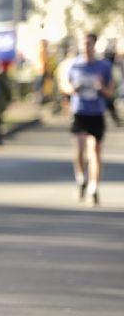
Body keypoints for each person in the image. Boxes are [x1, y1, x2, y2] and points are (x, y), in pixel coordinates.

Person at [67, 32, 115, 206]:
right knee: (80, 149)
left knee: (95, 150)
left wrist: (101, 88)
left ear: (94, 45)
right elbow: (65, 86)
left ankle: (94, 187)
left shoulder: (103, 66)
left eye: (88, 43)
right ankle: (81, 179)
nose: (85, 46)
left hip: (97, 113)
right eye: (83, 43)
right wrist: (73, 89)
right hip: (79, 111)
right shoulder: (73, 65)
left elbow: (111, 92)